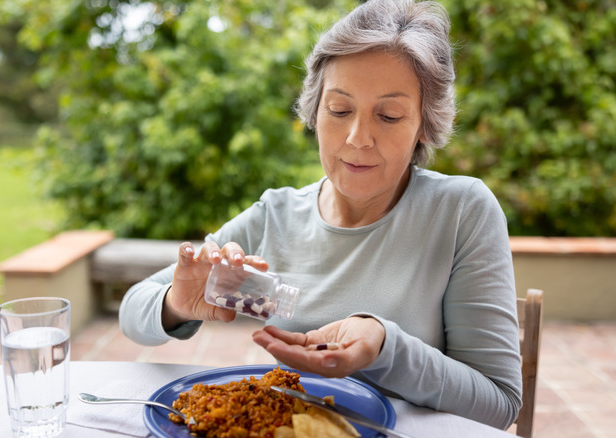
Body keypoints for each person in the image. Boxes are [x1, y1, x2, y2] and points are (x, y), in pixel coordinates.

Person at [119, 0, 522, 430]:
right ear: (315, 111)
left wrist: (385, 347)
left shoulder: (462, 212)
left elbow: (499, 404)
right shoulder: (275, 215)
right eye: (340, 110)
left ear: (424, 124)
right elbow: (132, 309)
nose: (358, 137)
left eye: (388, 115)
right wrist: (176, 304)